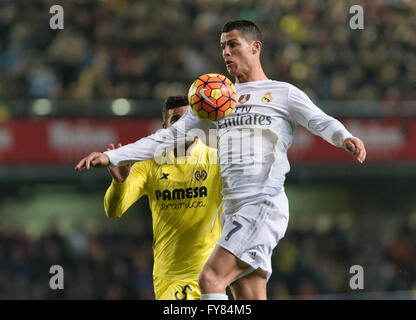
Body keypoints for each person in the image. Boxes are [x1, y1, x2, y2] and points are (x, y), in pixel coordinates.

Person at [75, 20, 367, 300]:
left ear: (255, 47)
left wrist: (344, 137)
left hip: (262, 203)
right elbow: (164, 139)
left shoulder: (282, 93)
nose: (226, 52)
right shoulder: (214, 101)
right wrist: (111, 155)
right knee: (247, 294)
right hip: (233, 210)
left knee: (210, 279)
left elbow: (318, 120)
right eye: (222, 46)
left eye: (233, 44)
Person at [102, 96, 222, 300]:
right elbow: (114, 210)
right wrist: (119, 183)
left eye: (189, 119)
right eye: (177, 120)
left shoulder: (216, 160)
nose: (184, 126)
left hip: (212, 274)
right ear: (165, 126)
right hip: (171, 277)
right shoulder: (148, 163)